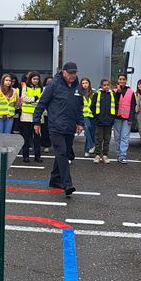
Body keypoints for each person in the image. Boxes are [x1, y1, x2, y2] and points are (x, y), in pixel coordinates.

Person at [34, 62, 83, 198]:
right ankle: (67, 184)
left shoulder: (78, 88)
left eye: (75, 73)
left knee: (64, 153)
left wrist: (80, 123)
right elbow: (41, 104)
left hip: (70, 127)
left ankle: (54, 180)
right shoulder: (53, 85)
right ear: (64, 72)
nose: (73, 75)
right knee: (61, 153)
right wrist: (36, 121)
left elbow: (79, 107)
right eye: (70, 73)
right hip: (55, 126)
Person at [18, 72, 42, 163]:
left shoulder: (41, 88)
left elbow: (42, 100)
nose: (36, 81)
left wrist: (31, 99)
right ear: (30, 79)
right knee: (26, 138)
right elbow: (24, 98)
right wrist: (35, 99)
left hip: (37, 116)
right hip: (26, 116)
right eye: (34, 79)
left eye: (37, 79)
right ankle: (25, 156)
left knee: (37, 138)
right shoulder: (25, 87)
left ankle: (37, 156)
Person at [91, 78, 115, 164]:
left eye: (108, 85)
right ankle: (97, 155)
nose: (106, 86)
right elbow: (92, 106)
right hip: (99, 121)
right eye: (104, 85)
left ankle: (105, 155)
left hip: (109, 121)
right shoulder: (97, 94)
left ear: (110, 85)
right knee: (99, 139)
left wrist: (113, 118)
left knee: (107, 139)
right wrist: (96, 117)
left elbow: (116, 107)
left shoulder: (112, 95)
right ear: (101, 86)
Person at [112, 74, 134, 163]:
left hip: (127, 118)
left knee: (124, 137)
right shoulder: (114, 91)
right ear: (118, 80)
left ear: (126, 80)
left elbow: (133, 106)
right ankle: (118, 154)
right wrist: (118, 92)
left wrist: (131, 119)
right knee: (117, 137)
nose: (122, 81)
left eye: (123, 79)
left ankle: (122, 156)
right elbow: (113, 103)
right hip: (117, 117)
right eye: (120, 79)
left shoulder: (131, 91)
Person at [79, 78, 96, 157]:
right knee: (87, 128)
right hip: (84, 115)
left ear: (89, 83)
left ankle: (87, 150)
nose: (85, 84)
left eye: (86, 83)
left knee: (91, 132)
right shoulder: (79, 93)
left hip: (93, 115)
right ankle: (92, 145)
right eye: (83, 83)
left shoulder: (93, 92)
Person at [41, 75, 53, 152]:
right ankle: (46, 145)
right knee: (44, 130)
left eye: (51, 81)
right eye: (48, 81)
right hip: (45, 112)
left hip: (53, 113)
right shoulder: (43, 89)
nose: (49, 82)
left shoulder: (56, 89)